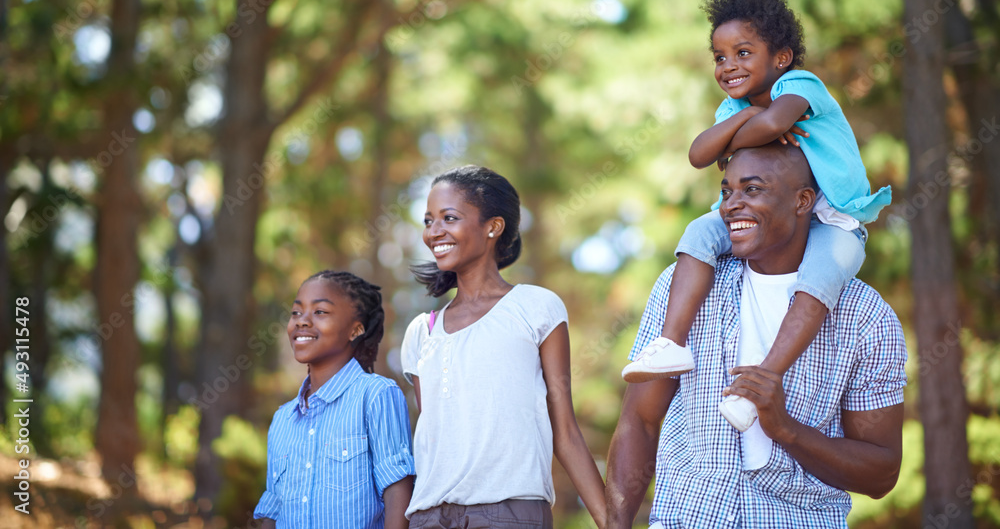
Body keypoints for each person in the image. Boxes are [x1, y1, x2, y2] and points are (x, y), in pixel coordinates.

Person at [622, 0, 892, 433]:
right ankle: (670, 342)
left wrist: (751, 126)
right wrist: (747, 119)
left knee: (819, 282)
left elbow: (773, 122)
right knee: (696, 235)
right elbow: (699, 155)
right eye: (720, 56)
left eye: (743, 52)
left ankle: (762, 381)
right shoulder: (734, 106)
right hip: (766, 211)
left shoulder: (801, 84)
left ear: (781, 57)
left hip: (833, 214)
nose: (729, 66)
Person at [606, 143, 906, 528]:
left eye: (752, 190)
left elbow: (881, 472)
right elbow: (640, 421)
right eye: (726, 191)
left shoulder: (865, 316)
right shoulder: (684, 288)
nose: (731, 205)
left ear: (802, 201)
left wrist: (787, 430)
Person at [400, 165, 607, 529]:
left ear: (493, 227)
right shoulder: (422, 332)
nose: (434, 232)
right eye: (429, 220)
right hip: (429, 517)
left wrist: (611, 520)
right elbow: (438, 439)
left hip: (508, 514)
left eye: (449, 218)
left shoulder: (535, 307)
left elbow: (566, 432)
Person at [254, 270, 415, 529]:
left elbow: (398, 491)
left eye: (320, 312)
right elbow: (272, 511)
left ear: (356, 330)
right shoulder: (282, 419)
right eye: (296, 312)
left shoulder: (376, 396)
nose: (302, 321)